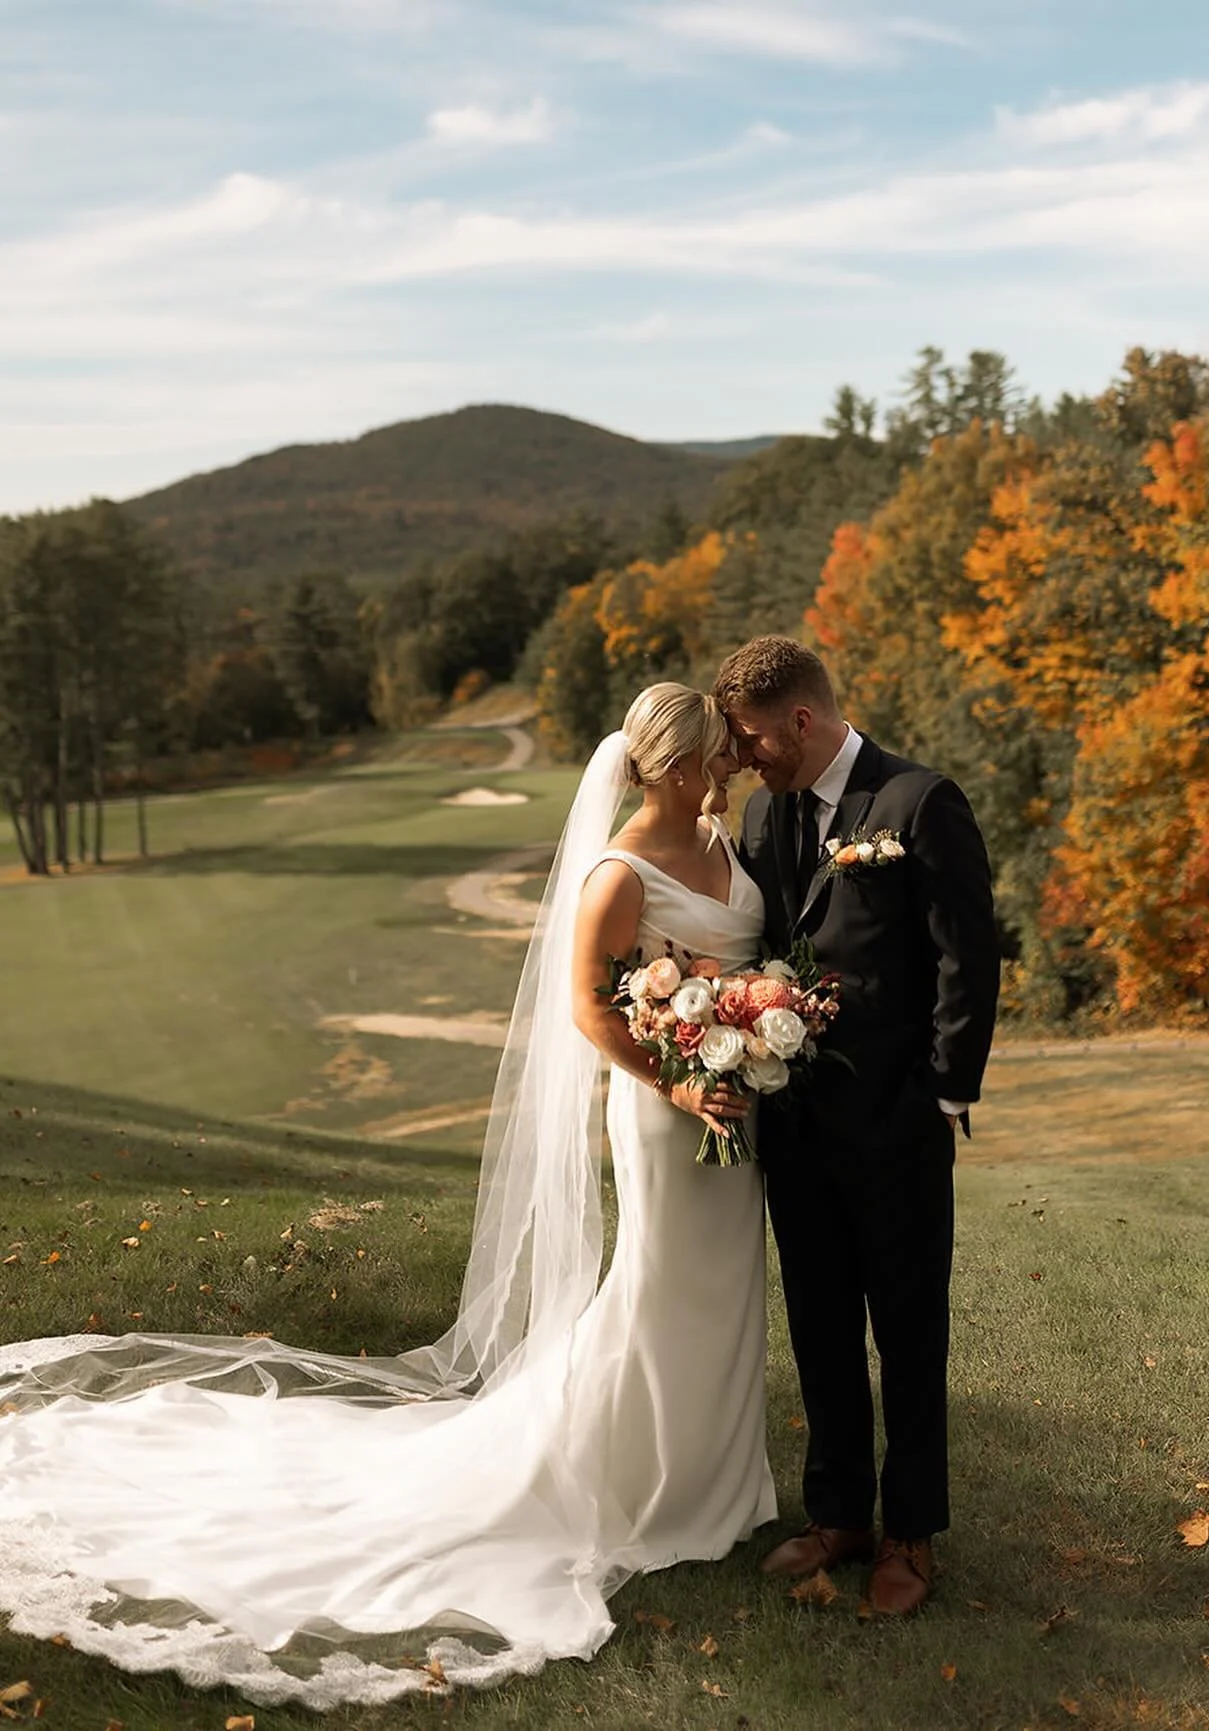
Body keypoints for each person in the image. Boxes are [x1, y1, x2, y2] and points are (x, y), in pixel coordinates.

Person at [0, 684, 774, 1711]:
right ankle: (654, 1488)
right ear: (679, 764)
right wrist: (678, 1076)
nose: (730, 762)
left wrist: (757, 1031)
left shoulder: (726, 835)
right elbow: (590, 1008)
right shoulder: (618, 873)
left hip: (740, 1100)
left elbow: (732, 961)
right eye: (717, 751)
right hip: (670, 1115)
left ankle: (725, 1481)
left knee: (725, 1294)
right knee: (663, 1287)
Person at [714, 636, 1000, 1615]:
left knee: (909, 1332)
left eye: (755, 739)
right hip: (795, 1128)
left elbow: (969, 957)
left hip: (899, 1123)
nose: (749, 758)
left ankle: (910, 1536)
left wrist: (943, 1093)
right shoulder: (763, 813)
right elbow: (758, 941)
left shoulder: (921, 802)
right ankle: (836, 1514)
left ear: (801, 719)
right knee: (821, 1325)